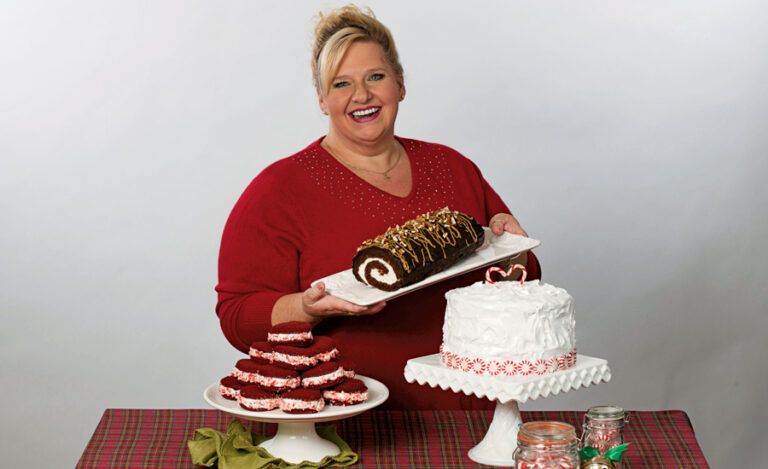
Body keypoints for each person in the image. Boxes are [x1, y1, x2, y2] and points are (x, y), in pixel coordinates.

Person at [215, 5, 541, 410]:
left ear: (400, 85)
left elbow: (520, 282)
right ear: (321, 99)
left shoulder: (453, 168)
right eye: (341, 84)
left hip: (472, 410)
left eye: (376, 77)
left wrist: (516, 249)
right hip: (349, 416)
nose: (362, 95)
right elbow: (237, 316)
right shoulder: (279, 190)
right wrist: (305, 307)